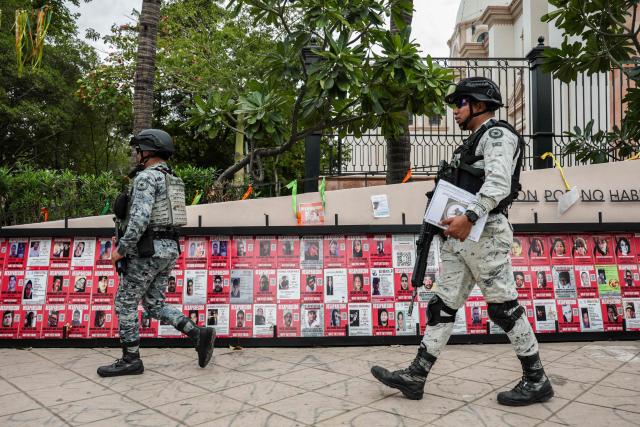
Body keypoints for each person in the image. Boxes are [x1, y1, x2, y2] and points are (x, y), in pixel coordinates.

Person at [371, 77, 553, 406]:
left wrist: (469, 217)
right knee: (442, 306)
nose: (455, 110)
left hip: (484, 233)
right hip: (460, 237)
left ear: (479, 105)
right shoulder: (472, 141)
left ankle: (537, 379)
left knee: (504, 308)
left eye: (461, 103)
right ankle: (416, 376)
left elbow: (498, 183)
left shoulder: (497, 135)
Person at [98, 129, 215, 378]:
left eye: (138, 149)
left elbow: (139, 219)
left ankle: (131, 359)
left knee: (125, 303)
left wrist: (121, 250)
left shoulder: (146, 178)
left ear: (148, 151)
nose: (136, 154)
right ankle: (198, 334)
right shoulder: (172, 178)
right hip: (169, 249)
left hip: (146, 251)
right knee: (154, 304)